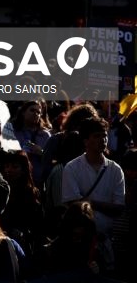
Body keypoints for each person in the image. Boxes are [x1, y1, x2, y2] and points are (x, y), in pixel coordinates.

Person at [62, 116, 125, 272]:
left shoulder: (115, 169)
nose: (102, 139)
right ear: (85, 140)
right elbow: (74, 205)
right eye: (97, 136)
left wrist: (90, 202)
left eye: (104, 135)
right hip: (80, 243)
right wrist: (88, 204)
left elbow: (119, 207)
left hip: (106, 240)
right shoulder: (72, 168)